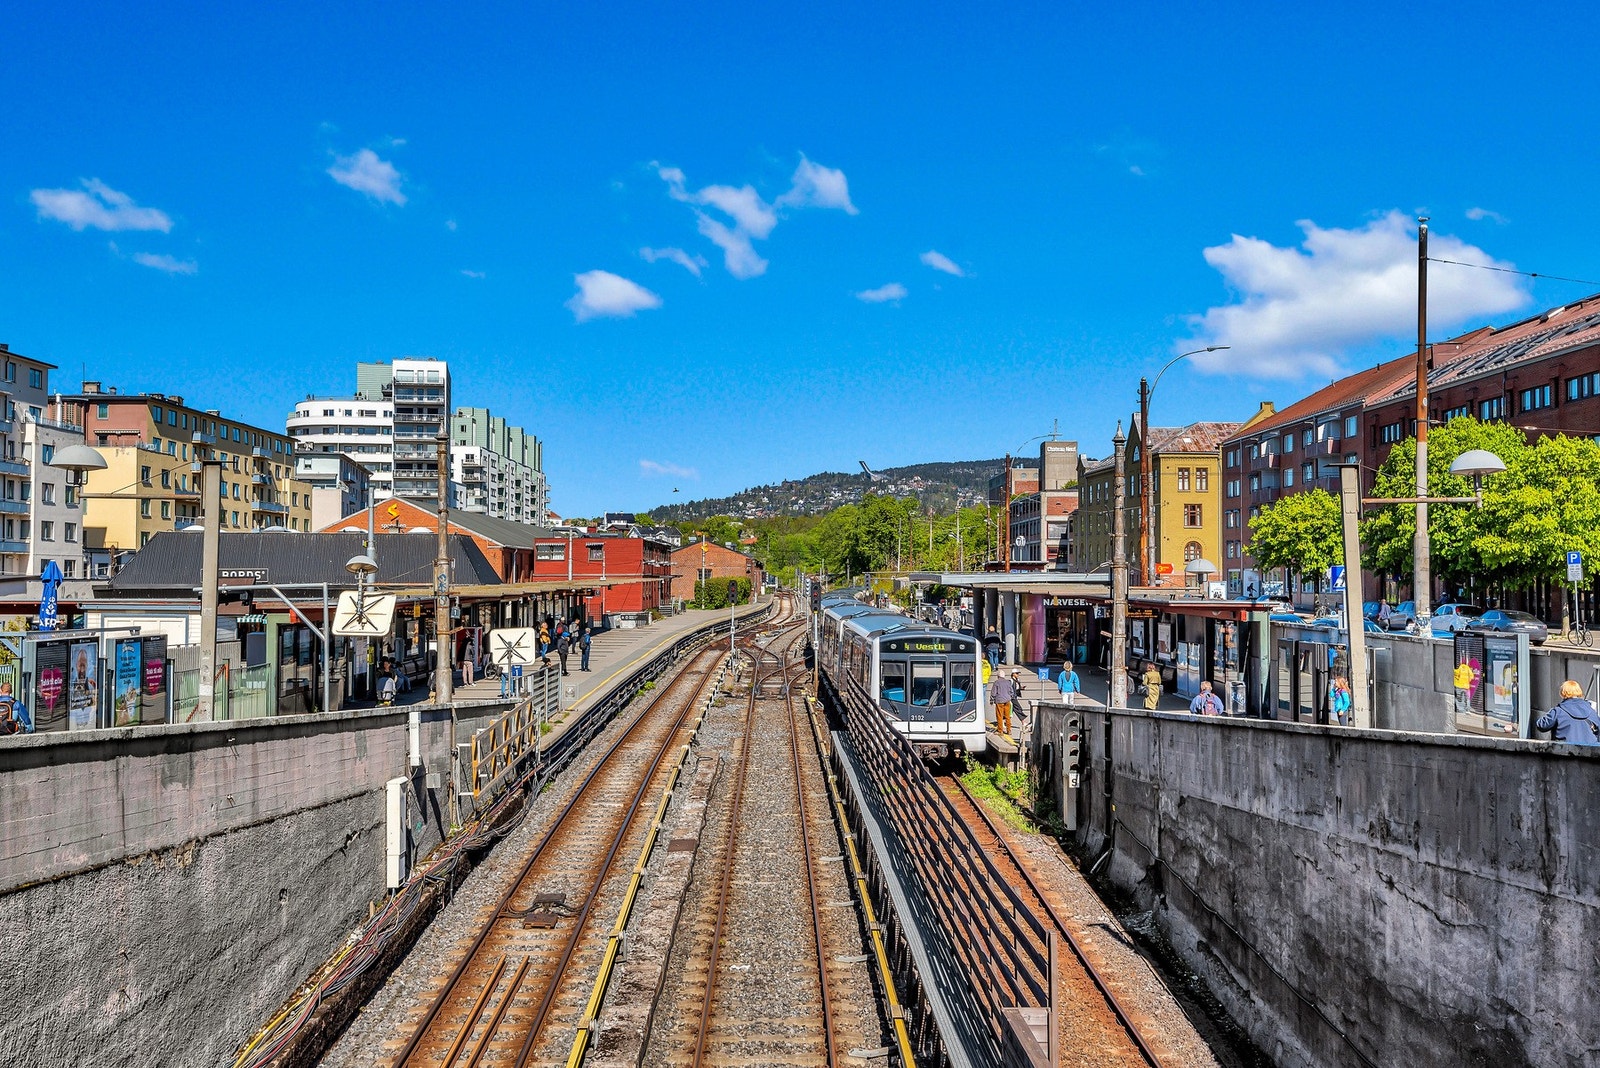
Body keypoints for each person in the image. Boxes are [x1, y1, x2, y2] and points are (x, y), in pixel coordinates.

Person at [1535, 680, 1600, 745]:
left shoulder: (1558, 711)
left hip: (1566, 750)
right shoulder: (1591, 710)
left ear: (1562, 693)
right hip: (1589, 752)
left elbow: (1542, 725)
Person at [989, 670, 1016, 737]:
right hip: (1007, 701)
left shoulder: (996, 682)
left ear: (998, 676)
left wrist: (991, 700)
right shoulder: (1008, 682)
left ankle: (1000, 731)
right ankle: (1009, 730)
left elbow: (993, 693)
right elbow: (1011, 692)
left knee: (999, 716)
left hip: (999, 701)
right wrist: (1010, 697)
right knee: (1007, 716)